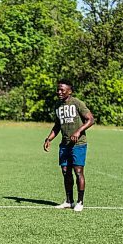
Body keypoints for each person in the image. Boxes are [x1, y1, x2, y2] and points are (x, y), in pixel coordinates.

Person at [43, 79, 95, 212]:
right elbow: (57, 126)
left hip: (78, 144)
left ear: (70, 91)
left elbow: (91, 120)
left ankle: (80, 202)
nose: (59, 92)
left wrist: (78, 131)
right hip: (64, 145)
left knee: (78, 172)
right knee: (66, 172)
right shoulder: (58, 106)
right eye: (58, 90)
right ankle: (68, 201)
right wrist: (49, 138)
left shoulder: (77, 103)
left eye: (62, 90)